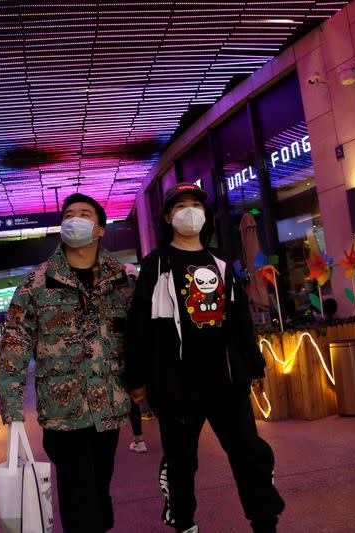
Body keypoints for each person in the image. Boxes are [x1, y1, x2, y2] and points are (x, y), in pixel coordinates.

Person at [124, 183, 285, 533]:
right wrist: (136, 379)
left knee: (248, 452)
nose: (189, 211)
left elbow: (241, 322)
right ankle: (184, 523)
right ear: (168, 216)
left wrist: (254, 365)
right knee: (182, 463)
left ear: (205, 213)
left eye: (195, 204)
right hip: (177, 386)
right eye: (180, 206)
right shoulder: (156, 265)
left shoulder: (221, 263)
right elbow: (139, 326)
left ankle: (264, 521)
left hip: (227, 381)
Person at [0, 193, 134, 533]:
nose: (75, 219)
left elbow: (140, 338)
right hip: (63, 413)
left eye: (85, 214)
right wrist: (12, 410)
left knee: (99, 490)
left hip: (110, 409)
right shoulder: (35, 283)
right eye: (69, 214)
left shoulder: (123, 281)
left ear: (99, 229)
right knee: (79, 496)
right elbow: (14, 344)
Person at [123, 263, 149, 454]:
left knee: (134, 396)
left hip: (129, 351)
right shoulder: (145, 293)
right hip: (148, 350)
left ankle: (139, 439)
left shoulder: (119, 295)